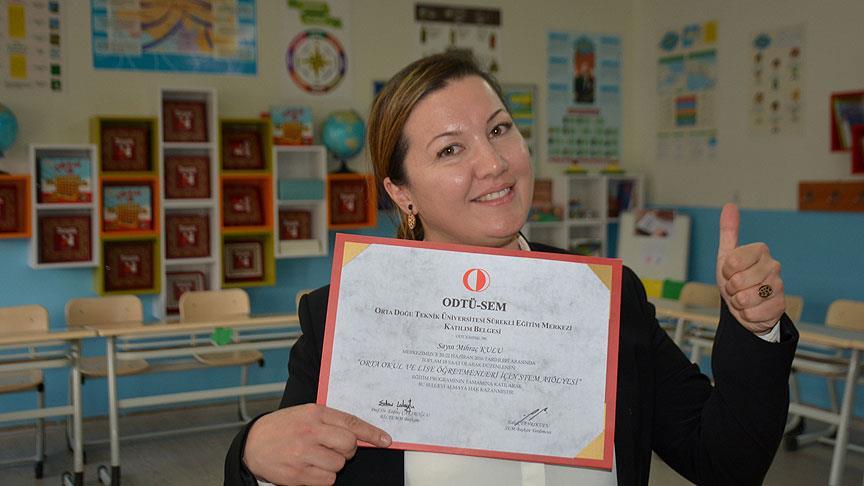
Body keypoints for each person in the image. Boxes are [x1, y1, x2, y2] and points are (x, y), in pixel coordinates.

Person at [225, 52, 797, 486]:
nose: (495, 163)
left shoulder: (603, 297)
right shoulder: (346, 317)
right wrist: (252, 455)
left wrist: (756, 329)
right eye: (450, 149)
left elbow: (724, 461)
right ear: (401, 192)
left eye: (499, 130)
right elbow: (295, 462)